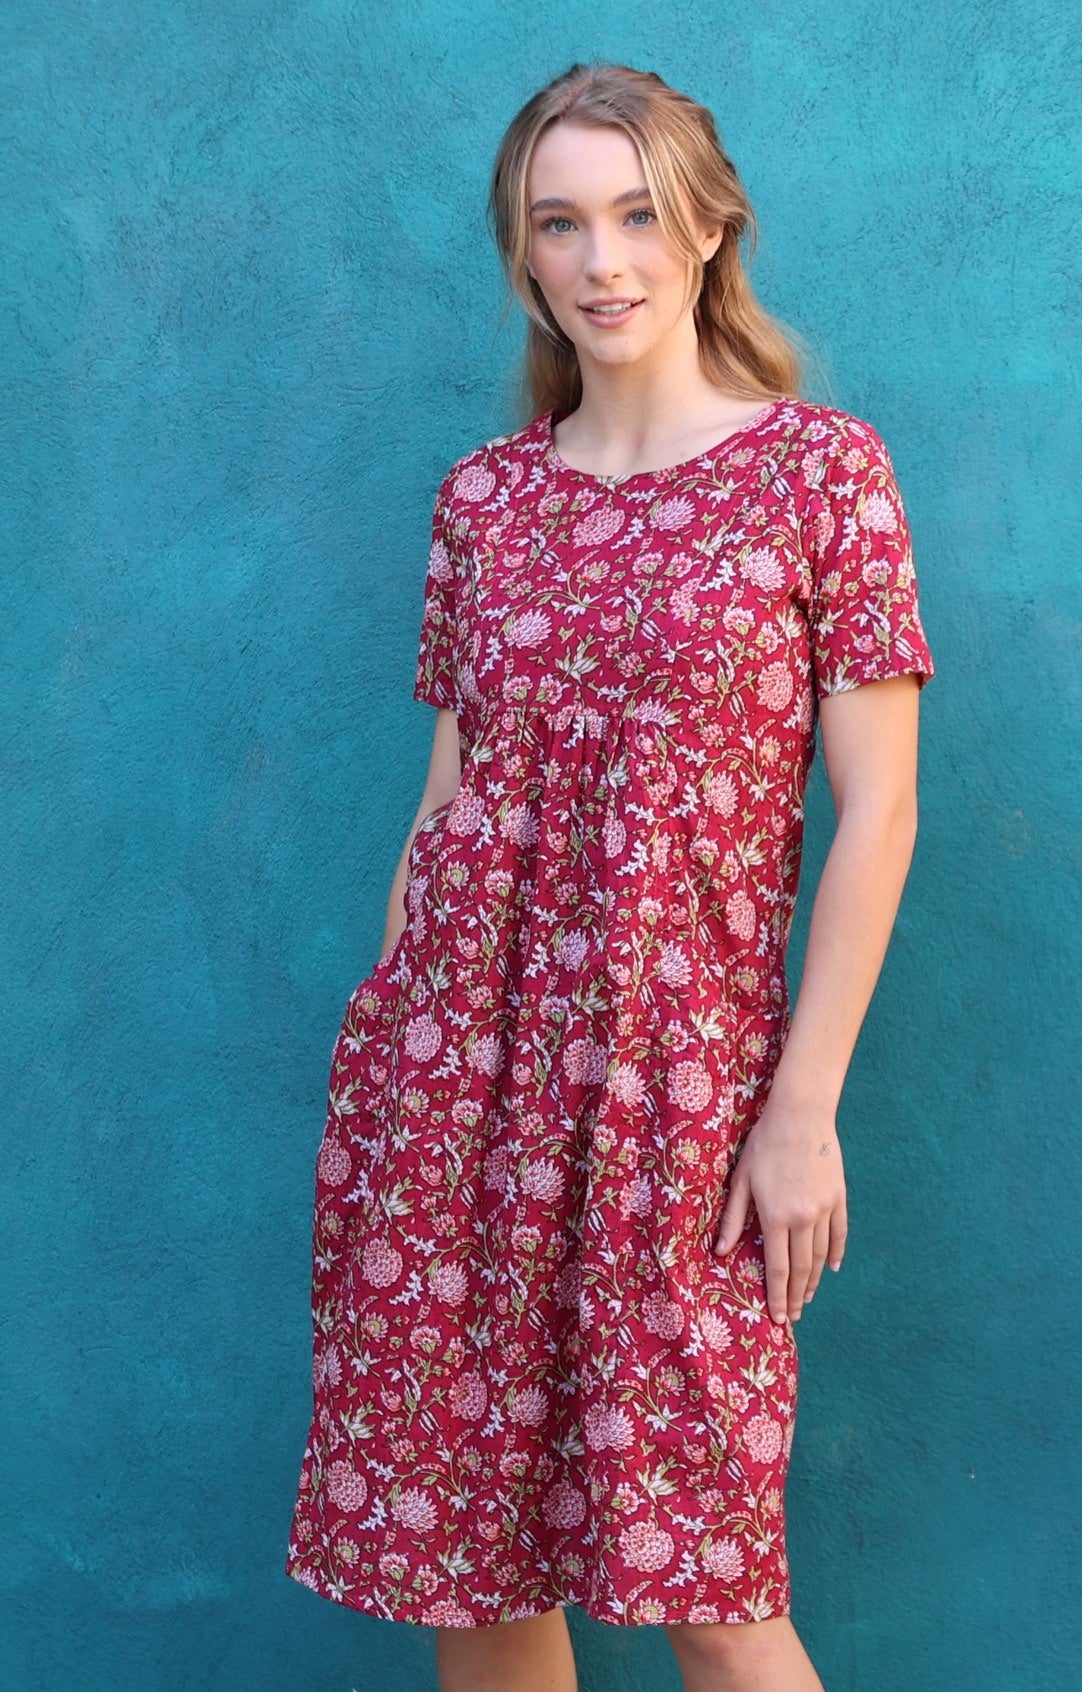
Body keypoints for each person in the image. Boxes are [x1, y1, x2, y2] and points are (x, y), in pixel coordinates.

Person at [285, 60, 936, 1692]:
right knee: (477, 1563)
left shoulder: (818, 477)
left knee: (710, 1581)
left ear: (710, 228)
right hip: (451, 1085)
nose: (602, 260)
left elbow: (879, 813)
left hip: (683, 1092)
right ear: (523, 253)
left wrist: (801, 1109)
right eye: (558, 223)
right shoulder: (486, 502)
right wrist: (390, 1066)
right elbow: (449, 810)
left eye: (639, 213)